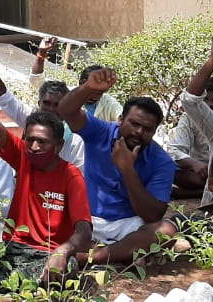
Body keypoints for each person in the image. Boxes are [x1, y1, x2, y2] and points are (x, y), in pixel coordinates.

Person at [0, 64, 94, 287]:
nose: (35, 146)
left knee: (65, 269)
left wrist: (62, 251)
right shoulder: (22, 156)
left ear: (58, 145)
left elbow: (85, 232)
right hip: (12, 249)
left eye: (43, 142)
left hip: (48, 253)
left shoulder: (71, 175)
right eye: (30, 140)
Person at [57, 68, 176, 265]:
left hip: (127, 225)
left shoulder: (162, 161)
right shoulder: (100, 132)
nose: (138, 132)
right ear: (120, 119)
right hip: (86, 219)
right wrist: (88, 88)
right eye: (134, 123)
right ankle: (121, 254)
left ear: (155, 132)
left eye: (147, 129)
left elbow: (152, 215)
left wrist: (127, 169)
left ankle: (90, 257)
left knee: (166, 232)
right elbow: (65, 111)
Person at [0, 34, 85, 172]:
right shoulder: (29, 117)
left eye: (57, 105)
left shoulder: (75, 139)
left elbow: (78, 179)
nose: (35, 147)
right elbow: (2, 94)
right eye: (47, 103)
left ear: (59, 144)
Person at [172, 34, 213, 208]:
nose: (209, 105)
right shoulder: (196, 119)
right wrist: (195, 164)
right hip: (200, 175)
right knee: (169, 171)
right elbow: (175, 150)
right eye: (206, 100)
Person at [30, 37, 122, 123]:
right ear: (81, 84)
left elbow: (122, 117)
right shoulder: (67, 95)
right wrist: (41, 54)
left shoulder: (108, 102)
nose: (95, 95)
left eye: (99, 91)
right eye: (92, 89)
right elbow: (37, 81)